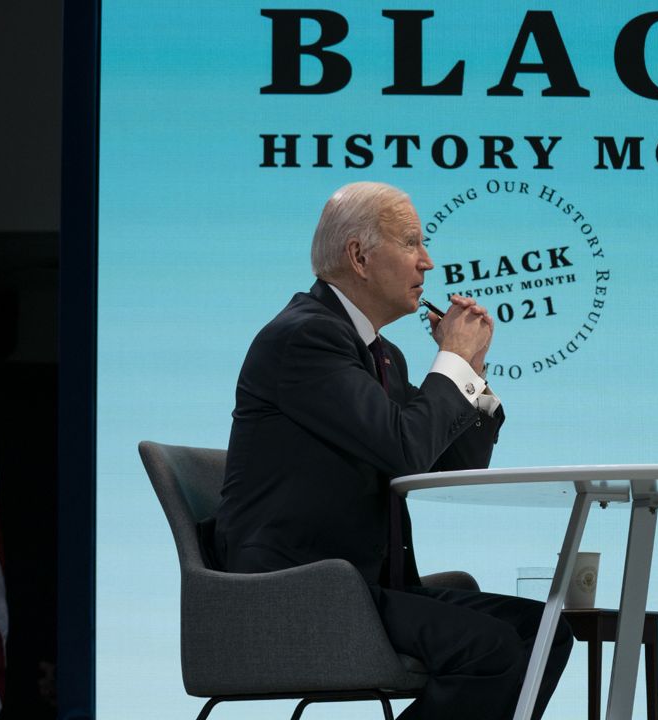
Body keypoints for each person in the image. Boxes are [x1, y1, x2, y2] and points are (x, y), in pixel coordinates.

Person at [214, 181, 572, 720]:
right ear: (359, 256)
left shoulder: (382, 355)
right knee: (493, 650)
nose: (428, 263)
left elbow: (450, 465)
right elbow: (406, 449)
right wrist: (450, 360)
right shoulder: (306, 339)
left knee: (546, 634)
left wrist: (469, 373)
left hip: (362, 587)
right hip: (298, 593)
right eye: (411, 243)